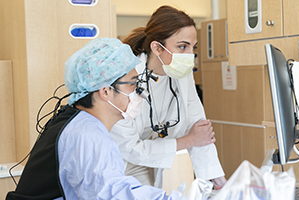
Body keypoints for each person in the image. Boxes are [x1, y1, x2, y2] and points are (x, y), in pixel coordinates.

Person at [6, 38, 185, 200]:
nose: (140, 92)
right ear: (106, 91)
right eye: (132, 84)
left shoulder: (77, 120)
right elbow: (112, 193)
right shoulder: (87, 134)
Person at [110, 5, 227, 189]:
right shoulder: (126, 78)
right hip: (123, 162)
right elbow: (129, 148)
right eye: (182, 46)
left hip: (160, 158)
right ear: (157, 47)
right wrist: (188, 140)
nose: (190, 55)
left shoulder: (182, 73)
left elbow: (198, 126)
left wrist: (216, 177)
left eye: (192, 47)